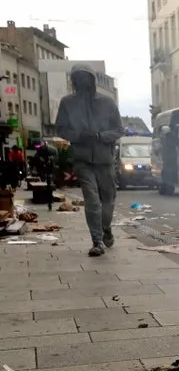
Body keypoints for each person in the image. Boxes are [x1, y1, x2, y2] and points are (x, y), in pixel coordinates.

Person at [55, 63, 124, 256]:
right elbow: (60, 128)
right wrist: (78, 136)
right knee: (92, 200)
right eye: (78, 79)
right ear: (74, 81)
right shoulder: (67, 102)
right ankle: (97, 241)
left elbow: (119, 130)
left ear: (92, 81)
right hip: (83, 159)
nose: (82, 83)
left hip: (104, 159)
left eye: (86, 79)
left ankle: (106, 228)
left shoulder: (107, 102)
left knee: (108, 199)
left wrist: (100, 136)